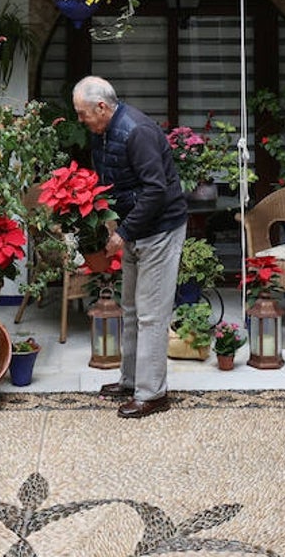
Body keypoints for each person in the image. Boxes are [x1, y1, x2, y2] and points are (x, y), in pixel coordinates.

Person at [72, 75, 188, 418]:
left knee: (152, 314)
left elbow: (156, 191)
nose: (80, 120)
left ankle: (153, 394)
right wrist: (111, 223)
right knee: (132, 308)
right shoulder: (103, 133)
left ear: (102, 107)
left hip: (161, 229)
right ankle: (132, 381)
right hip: (136, 229)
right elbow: (110, 184)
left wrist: (122, 233)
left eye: (82, 113)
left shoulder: (137, 132)